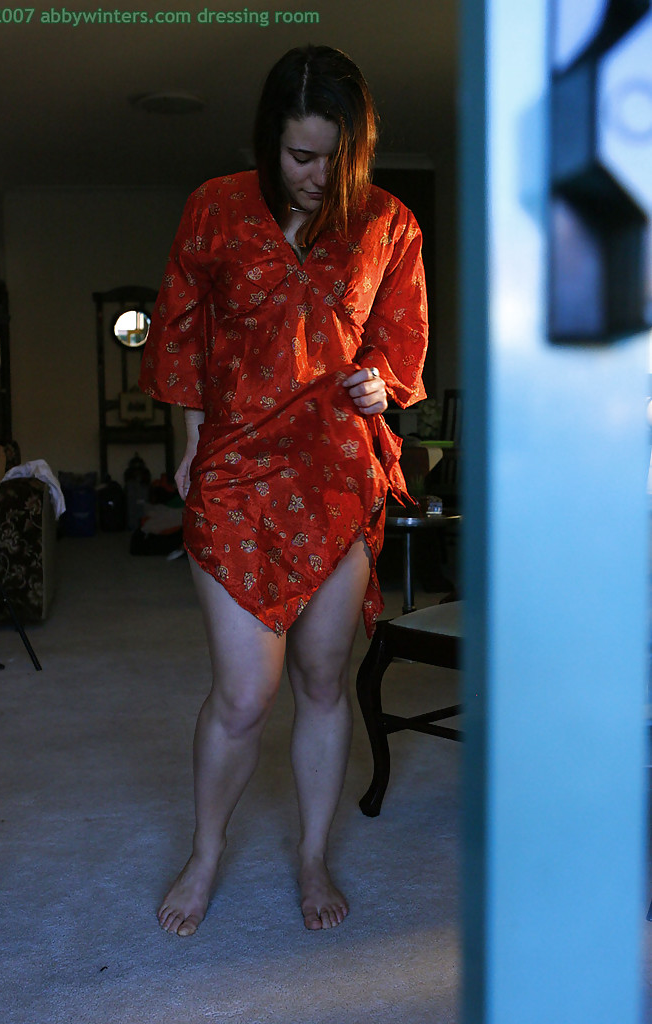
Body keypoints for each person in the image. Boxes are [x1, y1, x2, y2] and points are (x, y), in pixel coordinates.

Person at [139, 44, 428, 936]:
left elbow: (398, 345)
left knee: (321, 677)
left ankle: (311, 856)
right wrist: (190, 438)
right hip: (236, 469)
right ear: (271, 141)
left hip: (335, 472)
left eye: (337, 159)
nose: (318, 176)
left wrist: (379, 383)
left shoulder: (389, 223)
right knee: (243, 693)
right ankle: (206, 854)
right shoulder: (216, 208)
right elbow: (178, 328)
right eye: (302, 155)